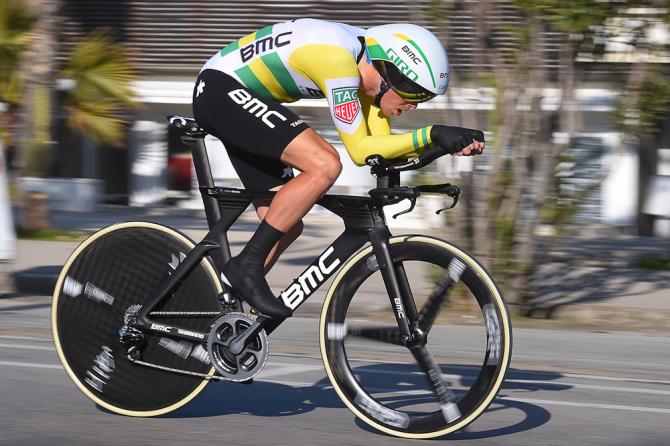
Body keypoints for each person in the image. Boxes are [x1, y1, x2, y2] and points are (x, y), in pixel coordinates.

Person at [192, 19, 485, 319]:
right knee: (324, 164)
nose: (415, 106)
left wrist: (442, 146)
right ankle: (246, 267)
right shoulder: (337, 59)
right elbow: (360, 151)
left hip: (247, 101)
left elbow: (381, 150)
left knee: (286, 222)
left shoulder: (366, 71)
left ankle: (209, 308)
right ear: (390, 74)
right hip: (220, 88)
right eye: (415, 94)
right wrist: (434, 133)